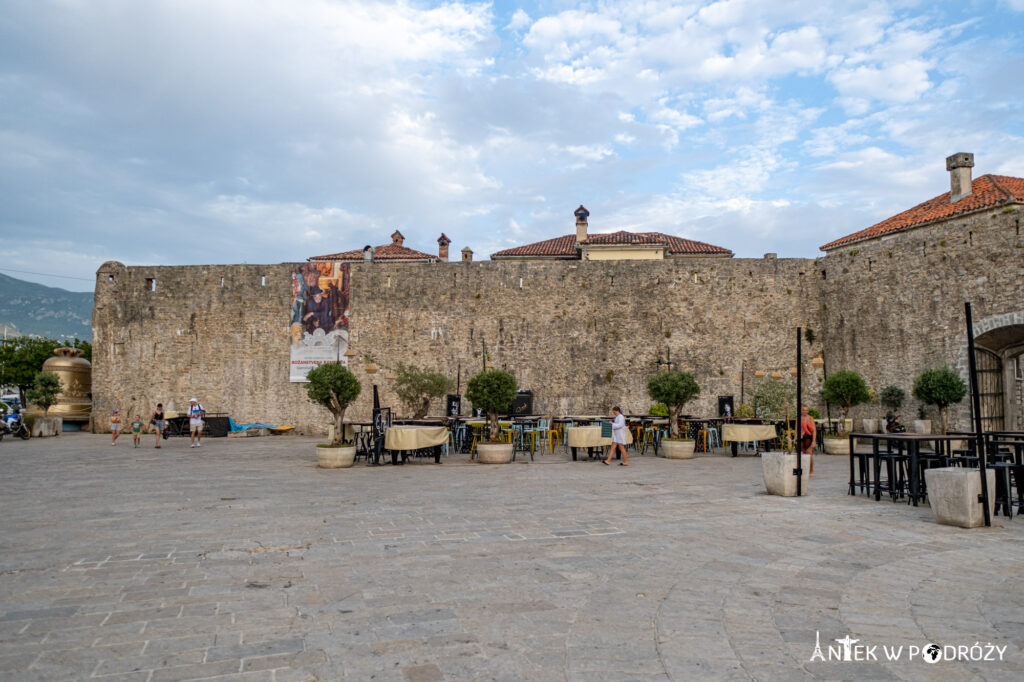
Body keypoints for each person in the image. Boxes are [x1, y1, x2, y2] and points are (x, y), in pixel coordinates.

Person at [799, 405, 816, 476]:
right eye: (803, 410)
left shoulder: (810, 418)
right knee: (801, 454)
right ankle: (803, 470)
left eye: (806, 410)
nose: (805, 411)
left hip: (809, 437)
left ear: (808, 411)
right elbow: (797, 429)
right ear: (801, 411)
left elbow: (814, 430)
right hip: (801, 438)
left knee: (809, 453)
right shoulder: (799, 418)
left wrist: (814, 441)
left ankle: (811, 471)